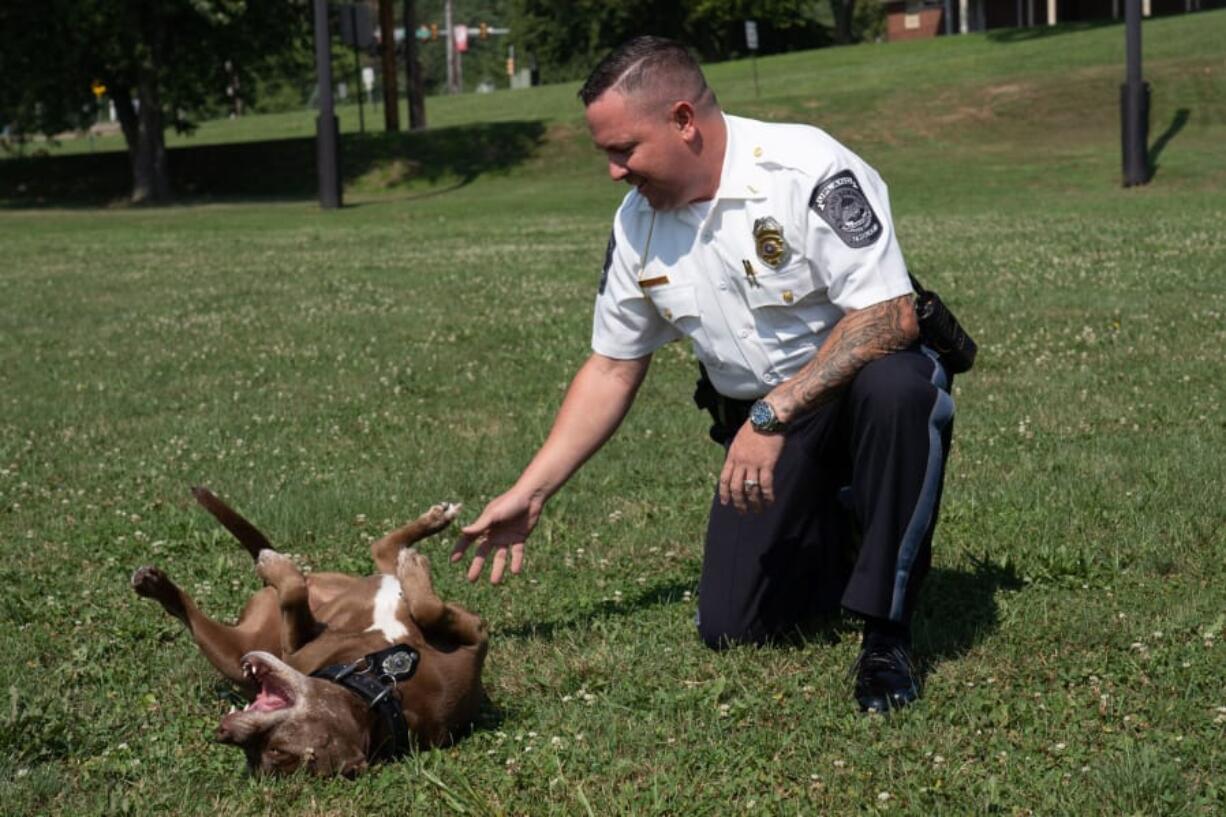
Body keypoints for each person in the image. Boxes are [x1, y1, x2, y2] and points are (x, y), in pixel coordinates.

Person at [451, 36, 956, 713]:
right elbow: (610, 364)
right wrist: (532, 491)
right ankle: (846, 526)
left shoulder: (805, 166)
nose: (613, 171)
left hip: (849, 389)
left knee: (901, 387)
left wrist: (773, 414)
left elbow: (891, 316)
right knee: (734, 626)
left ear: (683, 120)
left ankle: (886, 636)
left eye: (622, 150)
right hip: (760, 424)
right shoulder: (637, 226)